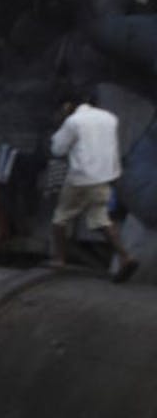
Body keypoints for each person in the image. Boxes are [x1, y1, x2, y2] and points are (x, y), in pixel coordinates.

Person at [49, 95, 140, 281]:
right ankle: (126, 257)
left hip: (80, 177)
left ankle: (59, 259)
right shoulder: (109, 118)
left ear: (69, 106)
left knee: (60, 217)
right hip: (104, 177)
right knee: (102, 220)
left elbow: (57, 149)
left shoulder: (73, 121)